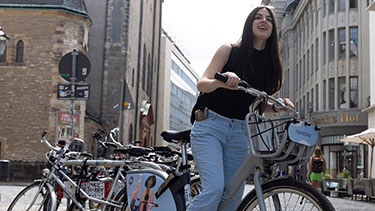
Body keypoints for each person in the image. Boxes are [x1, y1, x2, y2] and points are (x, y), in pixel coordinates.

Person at [188, 5, 294, 211]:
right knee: (215, 189)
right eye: (258, 17)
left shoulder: (271, 64)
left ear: (273, 29)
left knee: (232, 197)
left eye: (269, 19)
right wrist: (223, 80)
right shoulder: (229, 50)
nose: (264, 21)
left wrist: (278, 107)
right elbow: (202, 83)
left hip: (240, 132)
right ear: (249, 23)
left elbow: (258, 105)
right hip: (210, 127)